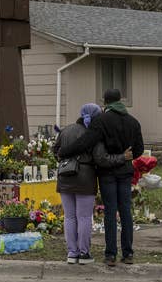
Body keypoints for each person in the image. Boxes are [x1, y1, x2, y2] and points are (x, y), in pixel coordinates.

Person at [59, 88, 144, 266]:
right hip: (125, 172)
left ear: (105, 103)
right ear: (120, 100)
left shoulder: (101, 121)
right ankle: (128, 253)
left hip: (107, 174)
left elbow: (86, 142)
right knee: (126, 211)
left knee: (110, 212)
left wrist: (65, 151)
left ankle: (110, 254)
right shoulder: (134, 122)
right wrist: (127, 156)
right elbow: (139, 149)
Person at [53, 103, 129, 265]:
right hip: (85, 178)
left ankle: (72, 253)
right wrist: (122, 157)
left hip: (64, 176)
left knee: (69, 217)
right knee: (84, 217)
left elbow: (55, 150)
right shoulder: (93, 134)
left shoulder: (66, 130)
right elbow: (101, 159)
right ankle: (84, 253)